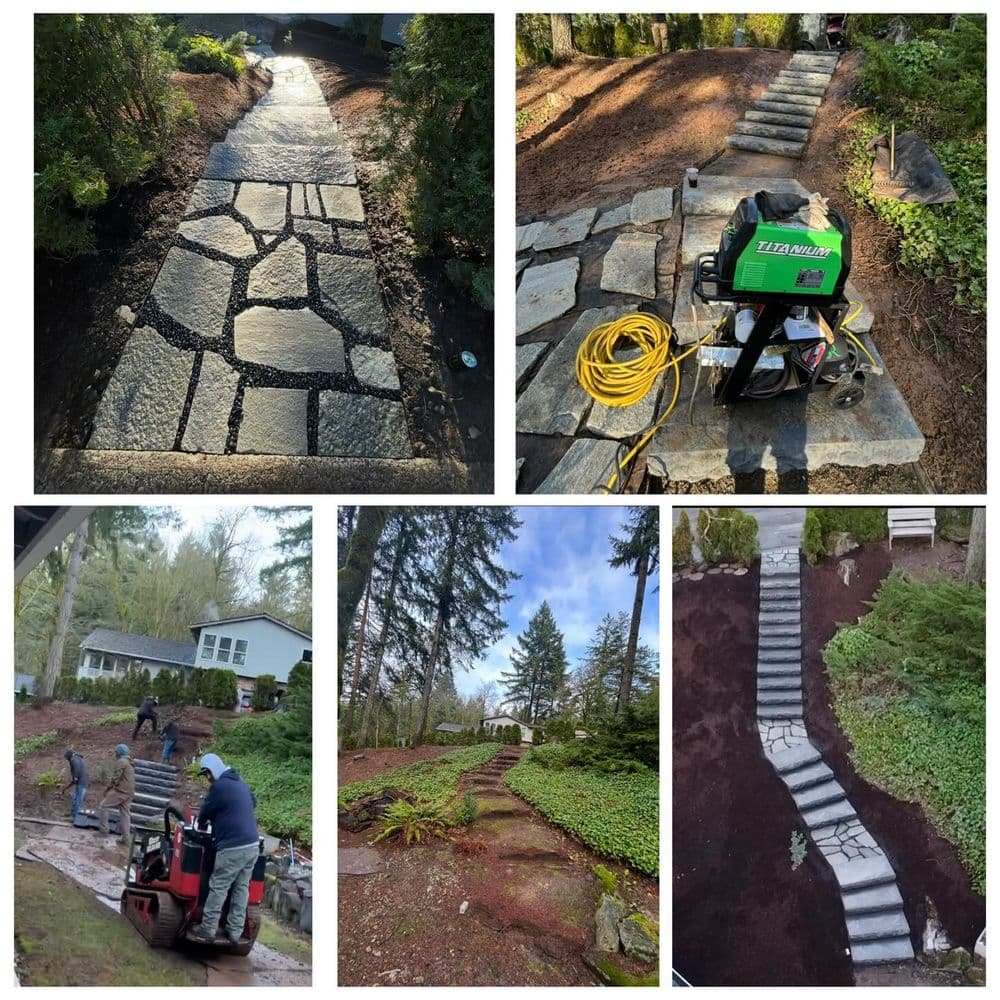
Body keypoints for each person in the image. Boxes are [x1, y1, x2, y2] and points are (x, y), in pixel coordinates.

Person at [189, 753, 260, 945]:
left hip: (232, 847)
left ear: (213, 770)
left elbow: (205, 812)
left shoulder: (219, 787)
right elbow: (253, 803)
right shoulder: (241, 784)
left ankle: (207, 930)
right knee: (241, 888)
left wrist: (202, 823)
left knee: (219, 887)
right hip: (252, 845)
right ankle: (234, 932)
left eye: (207, 774)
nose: (208, 778)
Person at [99, 744, 134, 845]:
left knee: (103, 806)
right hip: (129, 792)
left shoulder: (121, 762)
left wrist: (108, 789)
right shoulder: (129, 762)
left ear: (119, 753)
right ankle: (126, 839)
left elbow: (115, 779)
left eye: (116, 752)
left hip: (121, 791)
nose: (115, 754)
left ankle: (104, 831)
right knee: (125, 815)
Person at [62, 748, 88, 821]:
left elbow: (77, 768)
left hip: (82, 783)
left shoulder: (74, 759)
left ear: (68, 756)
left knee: (78, 800)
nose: (66, 759)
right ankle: (73, 814)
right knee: (75, 799)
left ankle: (75, 817)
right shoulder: (77, 758)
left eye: (66, 758)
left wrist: (75, 777)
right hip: (80, 782)